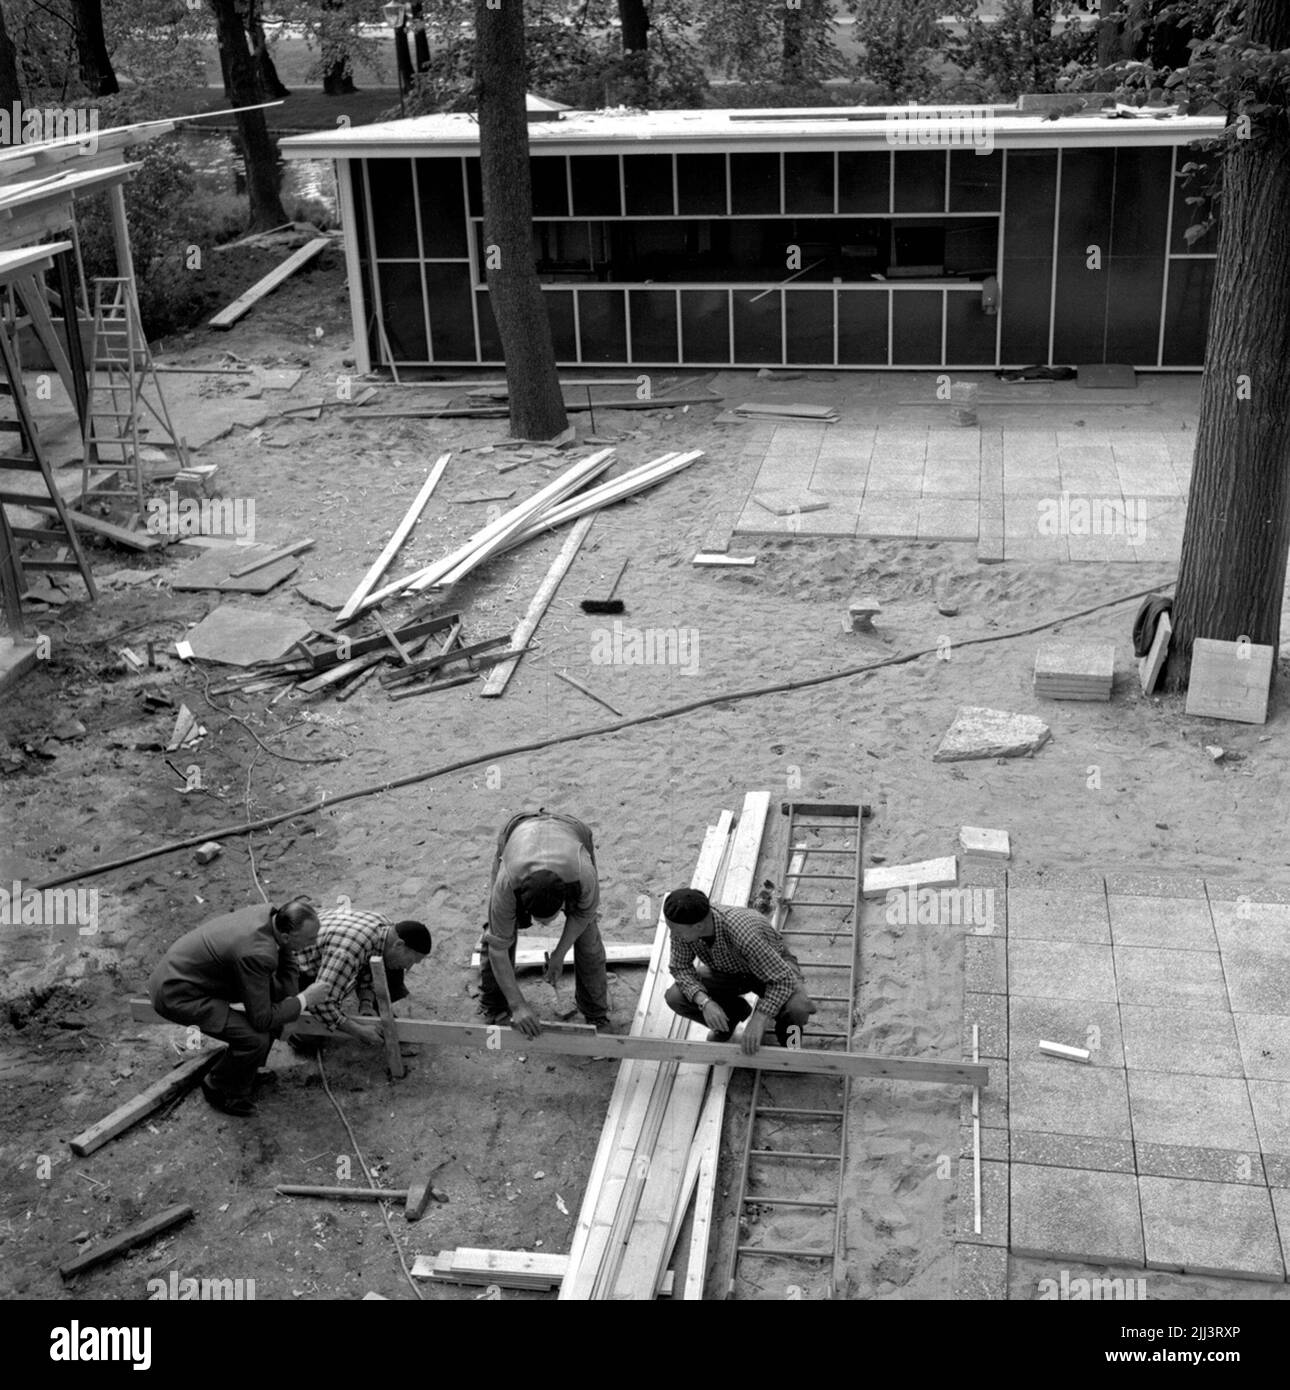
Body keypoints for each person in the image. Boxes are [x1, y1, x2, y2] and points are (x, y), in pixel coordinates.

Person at [148, 898, 325, 1117]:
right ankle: (220, 1087)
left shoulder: (272, 918)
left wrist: (289, 1012)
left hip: (198, 979)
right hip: (177, 993)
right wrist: (304, 1000)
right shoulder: (258, 952)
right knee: (254, 1038)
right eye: (310, 938)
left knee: (274, 1012)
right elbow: (262, 1019)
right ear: (287, 936)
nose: (315, 942)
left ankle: (245, 1073)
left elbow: (287, 961)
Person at [479, 811, 610, 1037]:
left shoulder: (583, 873)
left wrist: (559, 954)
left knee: (588, 938)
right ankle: (494, 1005)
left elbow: (582, 915)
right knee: (498, 931)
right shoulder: (507, 883)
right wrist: (518, 1006)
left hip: (572, 830)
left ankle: (596, 1012)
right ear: (523, 904)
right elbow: (498, 947)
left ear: (564, 903)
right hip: (517, 833)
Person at [661, 887, 816, 1055]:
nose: (673, 934)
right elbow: (680, 967)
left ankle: (791, 1046)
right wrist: (705, 1002)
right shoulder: (683, 926)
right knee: (675, 996)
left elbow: (782, 980)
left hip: (772, 968)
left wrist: (759, 1019)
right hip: (730, 971)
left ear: (698, 926)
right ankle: (730, 1018)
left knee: (797, 1009)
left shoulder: (743, 933)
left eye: (676, 930)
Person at [290, 906, 431, 1053]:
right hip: (295, 968)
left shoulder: (387, 929)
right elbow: (320, 1004)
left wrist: (366, 1003)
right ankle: (297, 1036)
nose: (409, 967)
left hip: (330, 946)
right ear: (399, 944)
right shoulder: (347, 953)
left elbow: (368, 963)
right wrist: (358, 1030)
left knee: (392, 965)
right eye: (412, 960)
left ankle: (375, 1008)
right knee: (310, 1038)